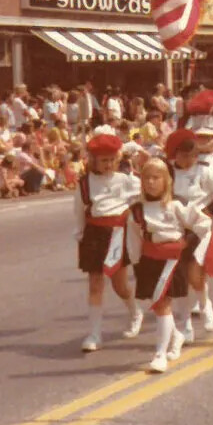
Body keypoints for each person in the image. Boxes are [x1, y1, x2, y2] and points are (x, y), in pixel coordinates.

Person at [127, 156, 210, 374]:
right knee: (157, 304)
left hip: (172, 261)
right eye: (146, 178)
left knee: (163, 304)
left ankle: (160, 354)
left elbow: (203, 223)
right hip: (149, 259)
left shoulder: (176, 204)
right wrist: (136, 263)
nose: (151, 182)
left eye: (156, 178)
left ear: (166, 181)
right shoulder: (137, 209)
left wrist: (187, 242)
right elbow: (133, 237)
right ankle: (177, 335)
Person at [75, 131, 144, 350]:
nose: (108, 164)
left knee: (119, 284)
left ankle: (135, 312)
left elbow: (143, 197)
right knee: (95, 285)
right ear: (93, 160)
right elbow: (79, 211)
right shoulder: (84, 184)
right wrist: (80, 236)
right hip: (94, 235)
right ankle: (94, 334)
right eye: (103, 160)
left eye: (112, 160)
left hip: (117, 233)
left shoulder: (125, 180)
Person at [168, 126, 213, 340]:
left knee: (194, 274)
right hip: (174, 230)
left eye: (192, 155)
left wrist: (209, 211)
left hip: (199, 229)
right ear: (174, 154)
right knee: (177, 278)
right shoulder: (167, 172)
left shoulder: (204, 171)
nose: (188, 159)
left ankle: (205, 305)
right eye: (183, 155)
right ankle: (185, 325)